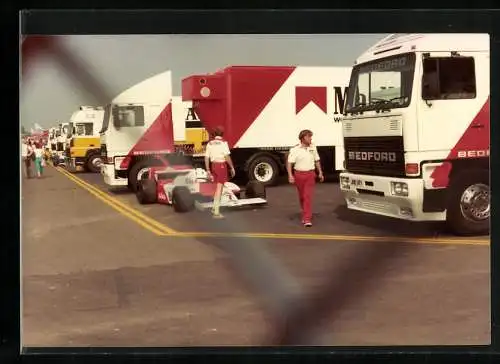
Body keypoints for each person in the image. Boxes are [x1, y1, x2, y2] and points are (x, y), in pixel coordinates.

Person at [286, 129, 324, 227]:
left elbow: (317, 160)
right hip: (298, 175)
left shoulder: (313, 147)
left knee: (307, 196)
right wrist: (290, 175)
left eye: (311, 136)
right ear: (303, 138)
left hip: (310, 175)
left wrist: (320, 172)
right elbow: (290, 163)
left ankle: (307, 218)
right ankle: (305, 213)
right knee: (302, 197)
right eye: (309, 136)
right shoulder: (295, 149)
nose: (310, 138)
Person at [204, 126, 236, 219]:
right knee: (219, 189)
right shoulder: (223, 143)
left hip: (213, 165)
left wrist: (208, 170)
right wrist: (232, 167)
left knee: (218, 188)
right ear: (222, 134)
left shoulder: (210, 143)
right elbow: (227, 156)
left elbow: (206, 157)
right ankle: (216, 212)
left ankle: (214, 208)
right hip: (221, 166)